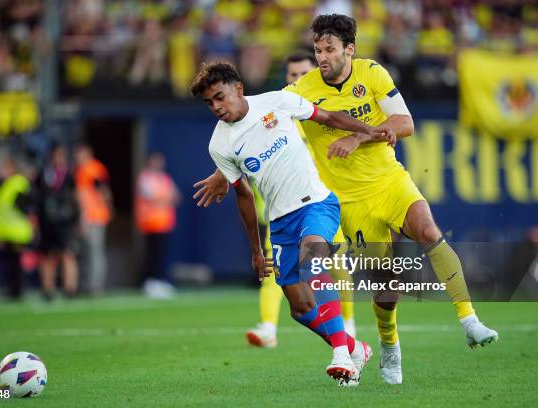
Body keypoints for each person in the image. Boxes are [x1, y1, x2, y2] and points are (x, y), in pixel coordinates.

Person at [193, 14, 499, 385]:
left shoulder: (373, 74)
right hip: (350, 201)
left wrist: (360, 137)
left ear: (348, 50)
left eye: (328, 49)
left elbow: (406, 124)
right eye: (317, 49)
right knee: (385, 286)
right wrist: (221, 174)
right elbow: (255, 123)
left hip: (386, 180)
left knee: (428, 230)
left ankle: (469, 320)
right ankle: (386, 347)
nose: (321, 56)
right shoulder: (295, 93)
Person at [190, 61, 393, 385]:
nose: (216, 107)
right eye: (209, 103)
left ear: (238, 89)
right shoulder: (220, 144)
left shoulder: (277, 102)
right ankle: (357, 349)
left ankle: (341, 354)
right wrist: (257, 250)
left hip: (317, 203)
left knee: (314, 261)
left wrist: (367, 131)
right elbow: (242, 195)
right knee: (299, 307)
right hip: (280, 221)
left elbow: (328, 117)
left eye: (219, 97)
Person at [233, 51, 357, 348]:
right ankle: (268, 326)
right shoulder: (277, 113)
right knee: (278, 271)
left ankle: (347, 327)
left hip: (319, 203)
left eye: (304, 74)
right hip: (279, 212)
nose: (298, 79)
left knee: (334, 266)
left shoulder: (314, 116)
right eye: (292, 75)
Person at [0, 153, 35, 300]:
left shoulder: (17, 183)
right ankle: (12, 289)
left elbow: (25, 206)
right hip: (6, 232)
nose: (1, 171)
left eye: (4, 168)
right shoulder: (5, 186)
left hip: (17, 232)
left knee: (15, 264)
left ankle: (18, 290)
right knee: (9, 264)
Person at [37, 144, 80, 300]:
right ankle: (48, 289)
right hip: (47, 222)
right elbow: (37, 197)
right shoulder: (43, 174)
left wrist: (78, 218)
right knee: (46, 256)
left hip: (65, 221)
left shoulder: (69, 175)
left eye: (61, 156)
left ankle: (70, 288)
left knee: (67, 254)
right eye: (56, 156)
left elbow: (76, 197)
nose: (58, 159)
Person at [135, 152, 180, 299]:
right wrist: (165, 199)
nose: (158, 164)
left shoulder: (164, 178)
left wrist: (162, 199)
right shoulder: (145, 178)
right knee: (152, 255)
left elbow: (176, 196)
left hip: (165, 223)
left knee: (162, 255)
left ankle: (160, 281)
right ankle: (149, 282)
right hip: (150, 223)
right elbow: (150, 197)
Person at [74, 143, 113, 295]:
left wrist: (108, 208)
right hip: (85, 217)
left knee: (95, 252)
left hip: (95, 216)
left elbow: (104, 190)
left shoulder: (95, 168)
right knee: (84, 252)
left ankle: (95, 286)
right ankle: (85, 285)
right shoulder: (79, 170)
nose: (78, 156)